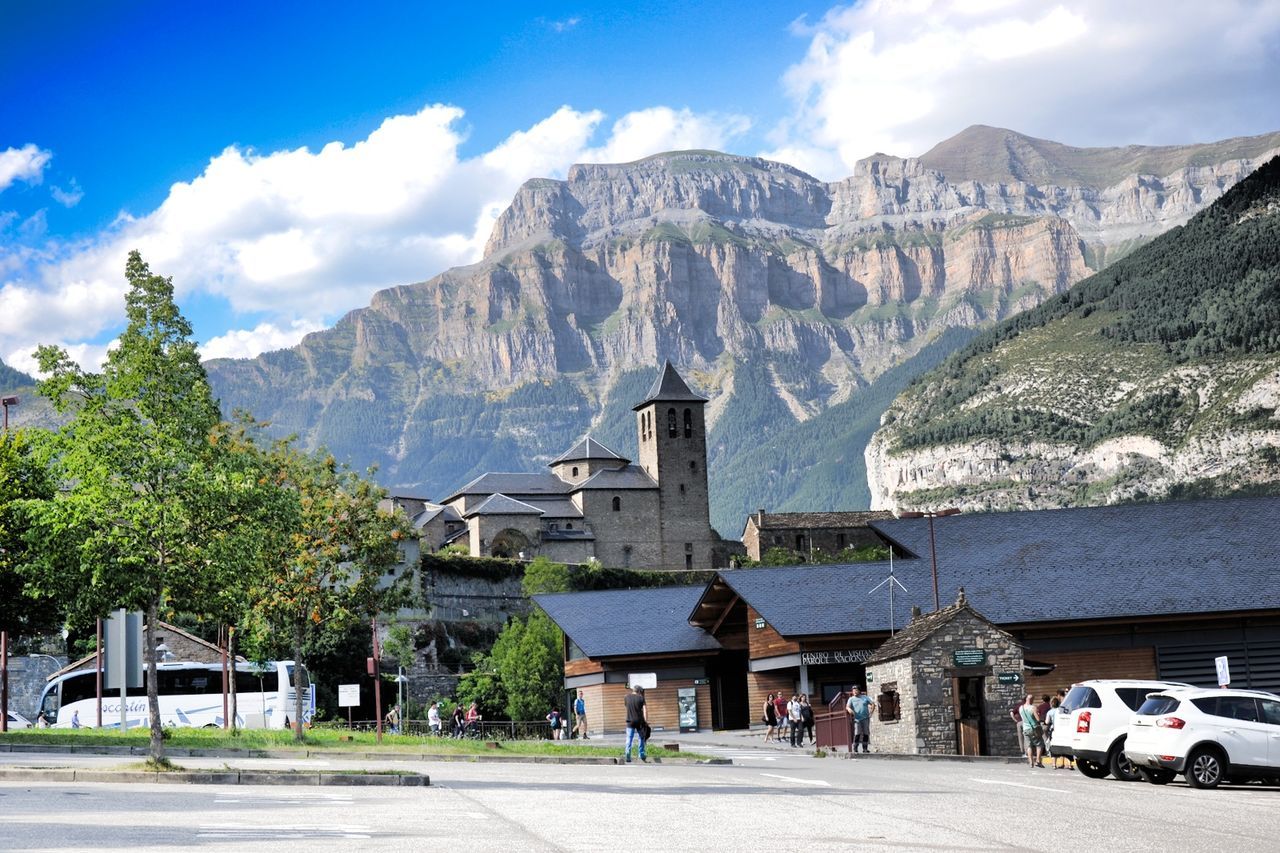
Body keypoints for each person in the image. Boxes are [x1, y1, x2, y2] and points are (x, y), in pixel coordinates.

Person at [845, 686, 876, 753]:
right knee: (857, 733)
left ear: (859, 691)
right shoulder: (851, 699)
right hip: (857, 719)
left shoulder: (864, 697)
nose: (854, 692)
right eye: (853, 691)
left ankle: (865, 748)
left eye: (856, 690)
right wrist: (849, 709)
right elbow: (847, 707)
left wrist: (871, 712)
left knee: (866, 733)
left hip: (865, 718)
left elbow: (873, 704)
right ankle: (855, 748)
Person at [622, 684, 649, 763]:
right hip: (639, 721)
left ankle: (627, 752)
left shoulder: (626, 697)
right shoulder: (641, 698)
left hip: (630, 721)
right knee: (641, 737)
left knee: (629, 738)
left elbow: (626, 707)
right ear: (639, 691)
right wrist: (646, 721)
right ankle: (641, 754)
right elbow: (645, 710)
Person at [1020, 693, 1044, 768]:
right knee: (1039, 744)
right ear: (1032, 700)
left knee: (1029, 746)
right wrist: (1039, 715)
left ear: (1026, 699)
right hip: (1034, 728)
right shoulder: (1033, 708)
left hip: (1025, 729)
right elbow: (1038, 719)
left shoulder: (1021, 708)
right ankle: (1038, 761)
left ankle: (1031, 762)